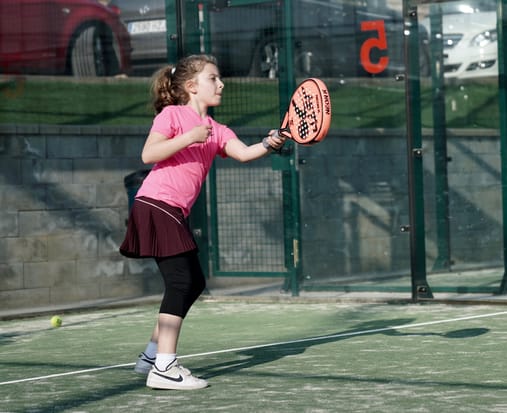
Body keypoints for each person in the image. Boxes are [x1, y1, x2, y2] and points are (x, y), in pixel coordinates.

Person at [119, 54, 286, 390]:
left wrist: (270, 143)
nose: (221, 83)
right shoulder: (173, 115)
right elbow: (148, 155)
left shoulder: (218, 130)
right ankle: (164, 368)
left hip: (171, 210)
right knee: (182, 282)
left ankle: (152, 356)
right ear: (192, 86)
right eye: (213, 78)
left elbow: (243, 152)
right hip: (155, 203)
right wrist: (189, 137)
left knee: (191, 282)